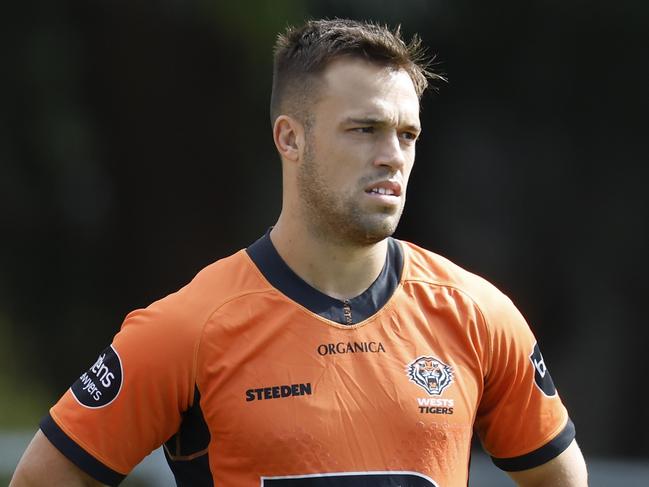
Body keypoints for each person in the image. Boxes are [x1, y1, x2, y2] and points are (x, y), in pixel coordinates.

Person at [11, 18, 587, 487]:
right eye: (364, 129)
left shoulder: (477, 315)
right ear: (290, 137)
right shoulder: (188, 328)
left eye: (407, 135)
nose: (393, 156)